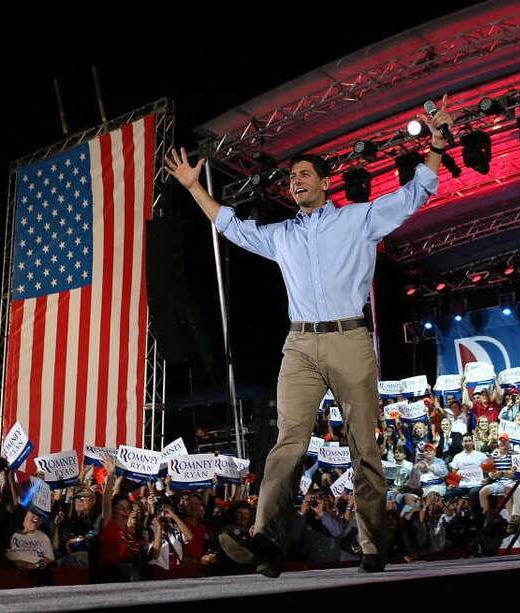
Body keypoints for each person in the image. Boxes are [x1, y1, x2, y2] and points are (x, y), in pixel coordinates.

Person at [166, 95, 454, 576]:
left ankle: (372, 544)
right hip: (299, 346)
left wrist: (438, 144)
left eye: (303, 175)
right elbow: (229, 225)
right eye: (291, 178)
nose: (294, 181)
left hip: (349, 341)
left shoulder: (358, 219)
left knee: (365, 448)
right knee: (287, 444)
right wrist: (195, 188)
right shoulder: (282, 235)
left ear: (324, 182)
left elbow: (415, 192)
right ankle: (266, 540)